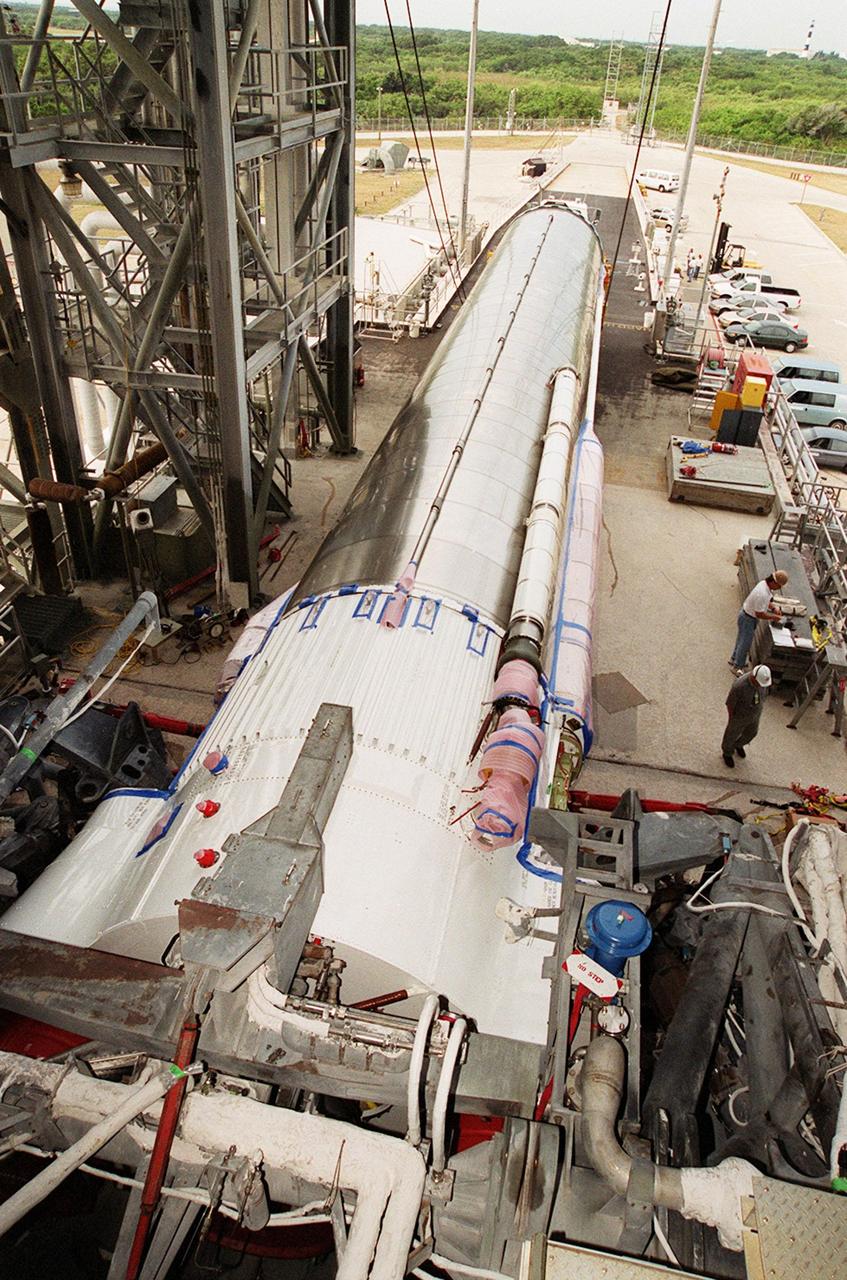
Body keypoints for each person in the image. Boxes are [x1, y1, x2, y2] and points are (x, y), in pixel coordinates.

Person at [728, 570, 788, 673]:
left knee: (741, 639)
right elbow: (759, 614)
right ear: (773, 582)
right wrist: (774, 617)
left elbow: (766, 602)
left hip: (747, 616)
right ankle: (737, 666)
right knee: (745, 643)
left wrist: (773, 608)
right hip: (748, 618)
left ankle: (735, 658)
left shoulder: (764, 585)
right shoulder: (762, 593)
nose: (779, 588)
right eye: (779, 586)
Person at [722, 665, 771, 768]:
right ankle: (727, 752)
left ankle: (738, 745)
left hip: (755, 713)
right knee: (732, 734)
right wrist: (732, 719)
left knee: (752, 732)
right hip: (740, 715)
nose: (761, 686)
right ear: (753, 677)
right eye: (759, 683)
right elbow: (730, 704)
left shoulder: (762, 683)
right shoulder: (739, 686)